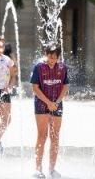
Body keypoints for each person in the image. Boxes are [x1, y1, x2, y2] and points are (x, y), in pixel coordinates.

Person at [29, 42, 69, 178]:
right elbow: (35, 87)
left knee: (55, 137)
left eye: (55, 58)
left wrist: (56, 102)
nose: (52, 61)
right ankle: (38, 169)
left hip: (57, 104)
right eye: (50, 57)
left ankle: (52, 169)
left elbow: (65, 86)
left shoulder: (63, 67)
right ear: (46, 54)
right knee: (42, 136)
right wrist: (48, 103)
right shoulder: (38, 67)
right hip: (41, 104)